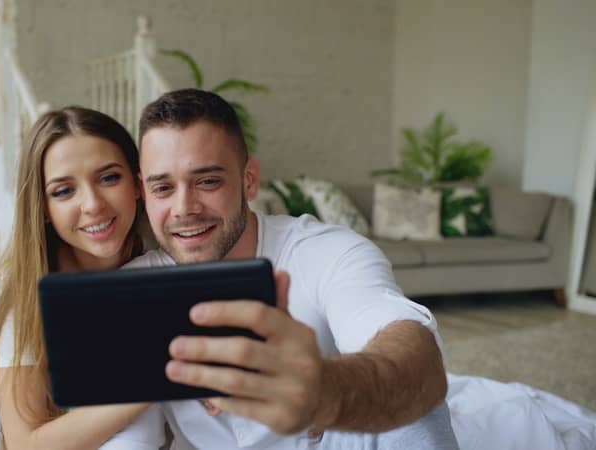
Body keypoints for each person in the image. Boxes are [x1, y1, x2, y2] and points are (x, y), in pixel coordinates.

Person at [102, 89, 460, 449]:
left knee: (415, 404)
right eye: (162, 187)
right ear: (144, 194)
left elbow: (416, 360)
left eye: (208, 181)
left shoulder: (328, 252)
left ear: (249, 179)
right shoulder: (131, 290)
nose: (184, 208)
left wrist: (323, 390)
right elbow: (130, 438)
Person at [0, 107, 154, 449]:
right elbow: (25, 445)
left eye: (109, 178)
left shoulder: (165, 257)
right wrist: (156, 382)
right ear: (43, 208)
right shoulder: (20, 288)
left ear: (137, 184)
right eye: (63, 191)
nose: (92, 204)